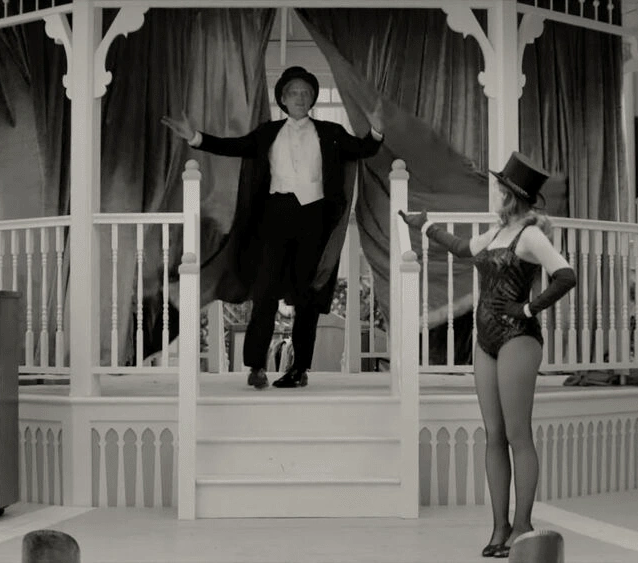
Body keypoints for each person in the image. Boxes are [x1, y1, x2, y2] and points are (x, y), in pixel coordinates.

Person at [400, 151, 576, 559]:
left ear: (513, 195)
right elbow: (462, 248)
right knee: (493, 435)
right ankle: (499, 527)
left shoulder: (530, 235)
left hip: (518, 339)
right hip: (486, 340)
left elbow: (566, 275)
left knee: (517, 434)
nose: (496, 194)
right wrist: (424, 225)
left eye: (500, 189)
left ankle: (522, 525)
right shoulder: (497, 233)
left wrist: (528, 309)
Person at [162, 66, 384, 389]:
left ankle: (299, 368)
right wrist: (196, 137)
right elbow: (235, 146)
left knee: (307, 295)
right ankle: (256, 366)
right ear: (282, 98)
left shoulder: (332, 132)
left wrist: (376, 129)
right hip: (274, 216)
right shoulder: (268, 132)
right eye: (294, 92)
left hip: (315, 217)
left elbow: (364, 149)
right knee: (264, 290)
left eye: (306, 93)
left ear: (312, 99)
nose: (300, 97)